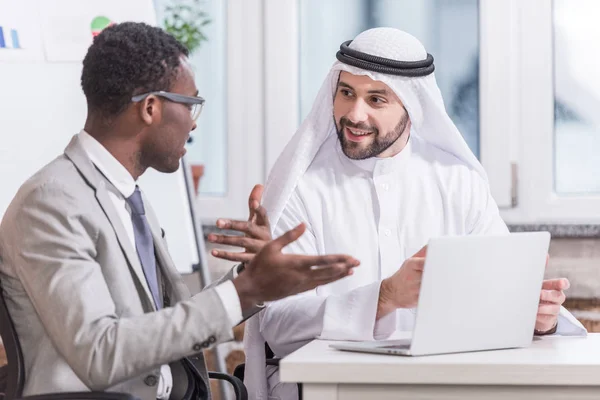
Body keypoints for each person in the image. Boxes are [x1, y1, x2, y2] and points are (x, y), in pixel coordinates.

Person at [208, 27, 587, 400]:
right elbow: (279, 325)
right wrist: (384, 297)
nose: (354, 114)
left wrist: (538, 318)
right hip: (326, 388)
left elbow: (500, 298)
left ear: (412, 103)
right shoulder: (301, 188)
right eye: (346, 93)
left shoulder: (458, 182)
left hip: (442, 383)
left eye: (376, 100)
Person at [0, 22, 359, 400]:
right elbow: (99, 352)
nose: (192, 124)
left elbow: (164, 326)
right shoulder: (52, 202)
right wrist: (241, 291)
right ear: (151, 108)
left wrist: (252, 279)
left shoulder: (126, 198)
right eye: (191, 105)